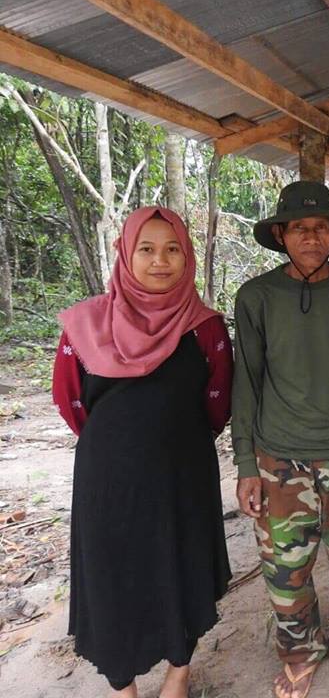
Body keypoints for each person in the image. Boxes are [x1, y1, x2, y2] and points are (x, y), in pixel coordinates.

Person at [52, 207, 232, 698]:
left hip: (183, 475)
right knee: (114, 577)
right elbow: (71, 402)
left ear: (187, 255)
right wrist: (124, 445)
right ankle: (123, 686)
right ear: (126, 255)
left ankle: (179, 675)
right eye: (147, 249)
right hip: (109, 482)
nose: (160, 261)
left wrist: (171, 442)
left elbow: (218, 400)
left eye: (173, 249)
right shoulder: (85, 326)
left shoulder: (205, 327)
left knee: (182, 567)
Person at [232, 181, 329, 698]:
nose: (311, 236)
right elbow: (246, 383)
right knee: (285, 569)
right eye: (300, 227)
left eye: (321, 227)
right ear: (281, 234)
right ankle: (299, 651)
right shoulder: (256, 297)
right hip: (280, 458)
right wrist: (246, 466)